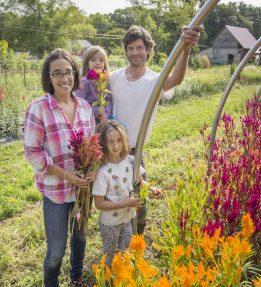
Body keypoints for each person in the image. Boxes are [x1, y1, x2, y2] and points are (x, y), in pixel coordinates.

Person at [109, 25, 202, 234]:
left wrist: (185, 47)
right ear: (125, 51)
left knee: (139, 201)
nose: (135, 52)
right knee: (114, 200)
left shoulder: (154, 80)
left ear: (148, 50)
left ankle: (137, 240)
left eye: (139, 48)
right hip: (111, 152)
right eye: (130, 48)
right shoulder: (113, 78)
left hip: (135, 151)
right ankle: (116, 242)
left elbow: (175, 79)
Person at [24, 48, 95, 287]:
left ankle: (76, 279)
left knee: (79, 238)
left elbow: (92, 145)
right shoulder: (39, 108)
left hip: (82, 191)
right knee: (55, 253)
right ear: (49, 77)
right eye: (57, 74)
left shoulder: (85, 107)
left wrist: (92, 168)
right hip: (55, 192)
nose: (64, 79)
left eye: (68, 72)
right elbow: (32, 152)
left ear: (75, 73)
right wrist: (65, 175)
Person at [92, 120, 161, 266]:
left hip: (127, 219)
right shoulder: (102, 171)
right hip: (110, 223)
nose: (116, 145)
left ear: (124, 141)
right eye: (110, 141)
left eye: (119, 140)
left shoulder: (131, 161)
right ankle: (109, 279)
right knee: (110, 256)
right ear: (103, 143)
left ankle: (123, 278)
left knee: (126, 252)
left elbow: (141, 181)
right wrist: (124, 203)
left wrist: (151, 188)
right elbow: (98, 204)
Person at [75, 45, 113, 124]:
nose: (98, 63)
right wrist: (96, 111)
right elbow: (79, 106)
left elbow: (108, 100)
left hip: (104, 120)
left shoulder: (105, 81)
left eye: (101, 60)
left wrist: (106, 114)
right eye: (93, 60)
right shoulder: (84, 83)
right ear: (87, 63)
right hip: (88, 122)